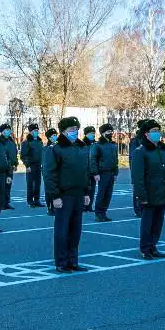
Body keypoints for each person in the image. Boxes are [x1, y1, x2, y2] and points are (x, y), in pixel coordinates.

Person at [43, 117, 92, 273]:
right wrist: (55, 196)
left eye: (76, 129)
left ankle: (73, 261)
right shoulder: (55, 149)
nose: (74, 132)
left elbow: (86, 171)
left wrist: (86, 192)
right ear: (63, 131)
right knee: (62, 230)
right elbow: (49, 174)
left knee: (75, 230)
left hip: (78, 193)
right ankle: (61, 262)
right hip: (64, 195)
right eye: (71, 129)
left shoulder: (81, 147)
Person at [131, 120, 165, 260]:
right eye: (153, 131)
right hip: (149, 193)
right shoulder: (141, 151)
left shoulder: (163, 150)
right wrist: (141, 196)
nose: (157, 133)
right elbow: (138, 177)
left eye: (158, 130)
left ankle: (153, 246)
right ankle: (145, 248)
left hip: (162, 192)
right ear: (146, 134)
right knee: (147, 222)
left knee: (158, 222)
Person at [91, 123, 119, 222]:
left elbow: (116, 159)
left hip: (111, 172)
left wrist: (116, 172)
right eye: (108, 131)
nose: (110, 133)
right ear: (103, 133)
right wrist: (95, 173)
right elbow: (93, 159)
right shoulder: (97, 145)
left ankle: (104, 212)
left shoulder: (113, 145)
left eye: (111, 131)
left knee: (108, 194)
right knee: (101, 193)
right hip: (102, 173)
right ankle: (98, 214)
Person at [20, 123, 44, 208]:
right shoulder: (26, 142)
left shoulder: (39, 141)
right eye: (34, 130)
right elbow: (23, 155)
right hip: (31, 166)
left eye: (37, 130)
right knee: (30, 184)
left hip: (38, 165)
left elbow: (42, 153)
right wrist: (27, 165)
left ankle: (37, 200)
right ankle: (30, 201)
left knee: (38, 184)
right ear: (30, 131)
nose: (36, 132)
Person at [128, 119, 148, 218]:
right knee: (138, 189)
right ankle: (138, 210)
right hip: (138, 169)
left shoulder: (149, 140)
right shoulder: (135, 141)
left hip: (149, 170)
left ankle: (145, 208)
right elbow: (133, 157)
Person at [0, 123, 18, 210]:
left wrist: (15, 163)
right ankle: (1, 203)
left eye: (9, 130)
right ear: (2, 131)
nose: (8, 132)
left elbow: (14, 153)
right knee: (2, 186)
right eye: (6, 130)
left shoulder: (11, 142)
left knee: (8, 185)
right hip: (2, 167)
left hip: (10, 167)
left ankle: (6, 202)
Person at [82, 126, 97, 212]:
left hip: (93, 170)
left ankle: (90, 206)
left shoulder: (95, 144)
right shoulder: (82, 144)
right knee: (85, 189)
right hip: (85, 170)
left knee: (93, 189)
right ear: (86, 134)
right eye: (91, 133)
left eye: (93, 133)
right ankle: (83, 206)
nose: (93, 135)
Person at [43, 128, 58, 215]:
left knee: (56, 190)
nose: (55, 137)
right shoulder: (46, 148)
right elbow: (45, 162)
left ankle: (55, 207)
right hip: (48, 173)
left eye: (55, 135)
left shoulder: (58, 146)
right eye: (53, 136)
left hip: (57, 172)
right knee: (49, 191)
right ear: (49, 137)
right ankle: (49, 208)